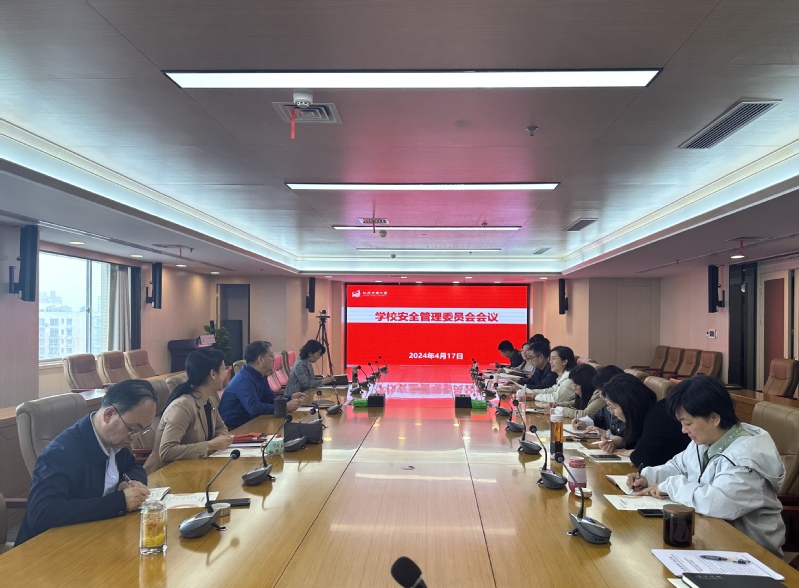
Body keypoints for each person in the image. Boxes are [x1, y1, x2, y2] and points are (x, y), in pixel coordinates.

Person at [629, 376, 786, 557]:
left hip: (752, 555)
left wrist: (669, 486)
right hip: (712, 540)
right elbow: (678, 466)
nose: (683, 430)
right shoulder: (706, 440)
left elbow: (715, 502)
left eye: (688, 423)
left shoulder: (745, 459)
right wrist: (648, 477)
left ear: (714, 418)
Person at [16, 380, 157, 545]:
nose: (135, 437)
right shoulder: (60, 453)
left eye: (142, 430)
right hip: (49, 549)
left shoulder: (115, 440)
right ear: (109, 414)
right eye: (133, 429)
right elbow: (42, 513)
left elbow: (133, 466)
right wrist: (119, 502)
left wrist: (132, 481)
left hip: (94, 537)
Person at [144, 348, 232, 474]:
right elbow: (166, 451)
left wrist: (220, 440)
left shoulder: (208, 399)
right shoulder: (182, 407)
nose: (226, 374)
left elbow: (221, 428)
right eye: (224, 369)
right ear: (213, 374)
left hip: (194, 469)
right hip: (166, 474)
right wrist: (210, 445)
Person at [598, 373, 689, 468]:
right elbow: (635, 440)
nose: (611, 411)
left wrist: (628, 452)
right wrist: (618, 442)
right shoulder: (643, 415)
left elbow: (643, 459)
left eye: (612, 406)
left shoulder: (658, 416)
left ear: (627, 405)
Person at [220, 341, 306, 428]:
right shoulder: (244, 379)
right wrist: (285, 407)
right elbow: (254, 408)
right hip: (234, 428)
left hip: (251, 422)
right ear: (260, 360)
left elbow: (269, 399)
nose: (274, 359)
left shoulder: (260, 375)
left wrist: (290, 397)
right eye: (271, 356)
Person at [571, 365, 625, 435]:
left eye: (602, 390)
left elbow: (625, 439)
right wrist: (584, 422)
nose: (600, 395)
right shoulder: (607, 406)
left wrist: (607, 435)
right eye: (599, 390)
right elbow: (597, 418)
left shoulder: (625, 410)